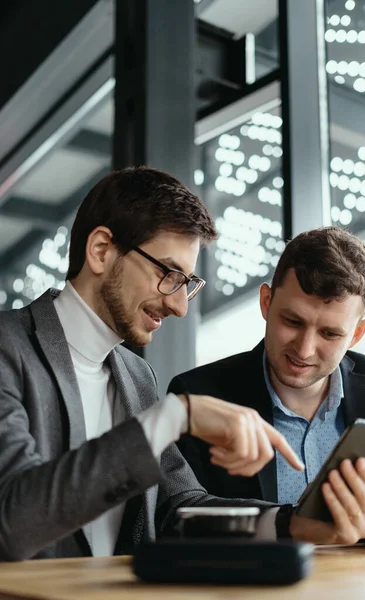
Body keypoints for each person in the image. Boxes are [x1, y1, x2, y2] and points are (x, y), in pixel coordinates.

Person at [0, 166, 307, 562]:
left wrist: (294, 523)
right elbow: (13, 523)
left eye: (187, 284)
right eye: (168, 273)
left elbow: (179, 509)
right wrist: (175, 415)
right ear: (101, 251)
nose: (179, 306)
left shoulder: (136, 376)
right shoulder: (8, 349)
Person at [169, 226, 365, 545]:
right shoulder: (197, 395)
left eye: (330, 334)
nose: (304, 350)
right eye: (292, 321)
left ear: (357, 334)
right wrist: (289, 522)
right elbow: (179, 521)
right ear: (266, 302)